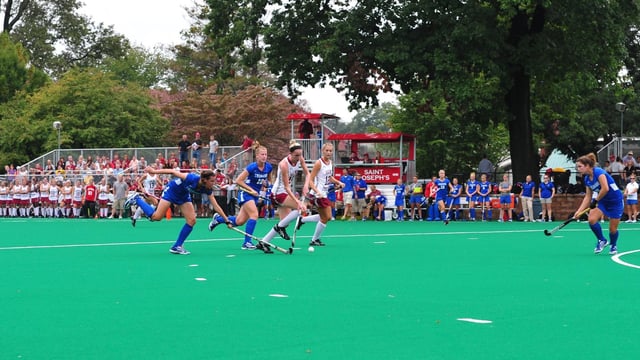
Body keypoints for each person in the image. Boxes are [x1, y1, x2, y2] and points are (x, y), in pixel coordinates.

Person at [126, 167, 231, 255]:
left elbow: (216, 206)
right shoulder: (191, 178)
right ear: (204, 180)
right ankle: (137, 199)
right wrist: (154, 171)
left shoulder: (207, 189)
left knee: (192, 220)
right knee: (156, 217)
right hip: (172, 191)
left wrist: (226, 220)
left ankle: (177, 246)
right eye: (212, 181)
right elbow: (172, 171)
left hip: (184, 196)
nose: (214, 183)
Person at [209, 145, 272, 250]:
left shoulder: (268, 167)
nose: (264, 156)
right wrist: (251, 190)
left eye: (265, 154)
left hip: (254, 196)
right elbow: (238, 180)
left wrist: (266, 185)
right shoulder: (252, 167)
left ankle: (218, 219)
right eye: (262, 154)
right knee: (254, 214)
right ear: (257, 156)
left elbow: (268, 179)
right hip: (245, 193)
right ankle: (247, 242)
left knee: (239, 221)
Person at [255, 140, 311, 253]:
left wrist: (306, 185)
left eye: (300, 155)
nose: (298, 157)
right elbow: (286, 187)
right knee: (301, 207)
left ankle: (263, 242)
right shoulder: (284, 164)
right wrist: (298, 201)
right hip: (277, 194)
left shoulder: (300, 159)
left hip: (285, 193)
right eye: (296, 155)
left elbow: (308, 173)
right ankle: (280, 228)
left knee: (284, 222)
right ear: (290, 154)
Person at [295, 143, 345, 246]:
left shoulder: (330, 163)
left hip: (324, 193)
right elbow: (310, 180)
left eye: (330, 151)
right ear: (322, 151)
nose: (329, 153)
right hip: (318, 194)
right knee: (326, 217)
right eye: (327, 150)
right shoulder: (319, 163)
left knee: (326, 217)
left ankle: (303, 220)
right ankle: (314, 239)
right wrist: (317, 191)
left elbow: (329, 177)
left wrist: (338, 182)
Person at [574, 153, 624, 255]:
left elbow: (605, 188)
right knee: (591, 219)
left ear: (587, 166)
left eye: (580, 166)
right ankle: (602, 240)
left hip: (615, 202)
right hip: (603, 201)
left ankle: (613, 245)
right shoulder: (587, 179)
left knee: (612, 229)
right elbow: (588, 197)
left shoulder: (599, 172)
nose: (578, 169)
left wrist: (595, 200)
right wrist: (578, 212)